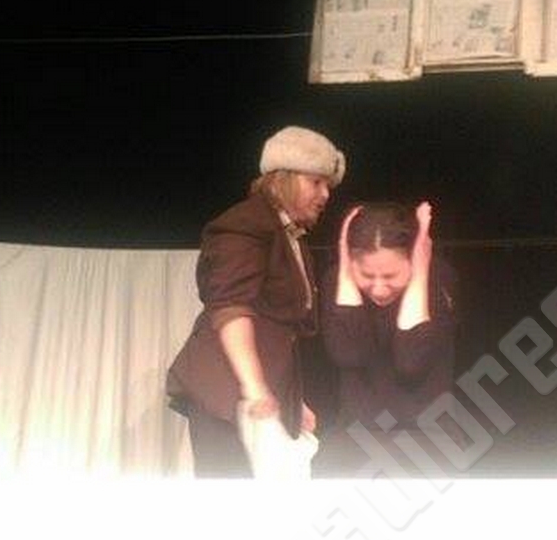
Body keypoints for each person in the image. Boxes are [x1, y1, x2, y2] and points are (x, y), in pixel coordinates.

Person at [167, 126, 345, 476]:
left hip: (257, 390)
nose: (325, 194)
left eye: (328, 185)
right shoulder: (245, 225)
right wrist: (254, 388)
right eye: (316, 182)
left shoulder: (289, 235)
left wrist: (294, 402)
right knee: (230, 493)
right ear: (283, 178)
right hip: (225, 389)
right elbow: (230, 310)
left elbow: (280, 332)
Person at [317, 201, 457, 475]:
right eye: (367, 275)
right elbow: (349, 353)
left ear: (414, 257)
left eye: (391, 276)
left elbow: (411, 362)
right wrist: (345, 273)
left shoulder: (439, 278)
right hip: (355, 438)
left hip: (427, 439)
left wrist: (419, 276)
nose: (379, 289)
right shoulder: (336, 280)